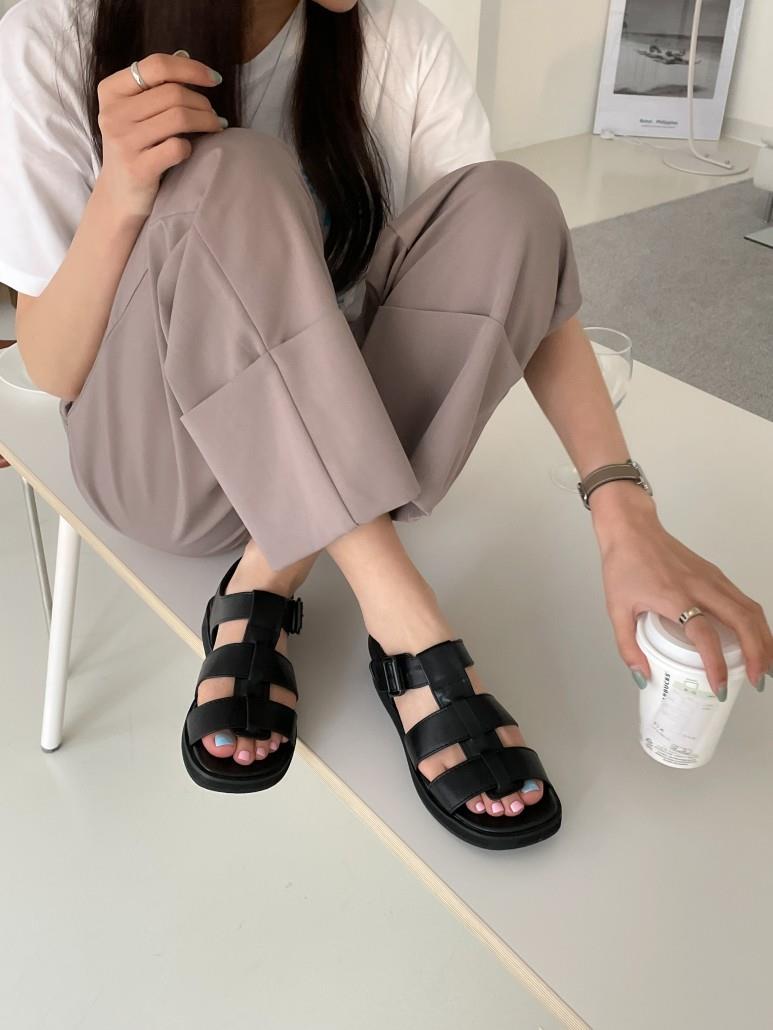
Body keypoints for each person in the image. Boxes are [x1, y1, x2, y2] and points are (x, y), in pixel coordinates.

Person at [1, 0, 770, 849]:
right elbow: (52, 366)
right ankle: (405, 621)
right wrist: (120, 194)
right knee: (232, 169)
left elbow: (512, 271)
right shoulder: (53, 36)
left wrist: (624, 515)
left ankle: (265, 579)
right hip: (167, 466)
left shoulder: (396, 39)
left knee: (510, 202)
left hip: (327, 432)